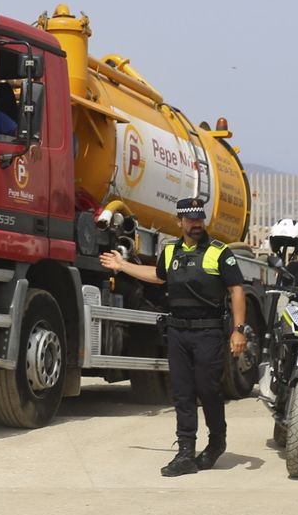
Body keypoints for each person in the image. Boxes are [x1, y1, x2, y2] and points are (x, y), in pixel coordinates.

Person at [99, 197, 249, 477]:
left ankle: (217, 440)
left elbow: (236, 289)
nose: (196, 224)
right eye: (190, 220)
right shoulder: (170, 251)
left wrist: (239, 331)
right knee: (182, 392)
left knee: (208, 389)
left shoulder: (220, 252)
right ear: (179, 222)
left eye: (199, 219)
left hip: (209, 331)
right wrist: (123, 266)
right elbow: (158, 276)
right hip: (178, 331)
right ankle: (185, 452)